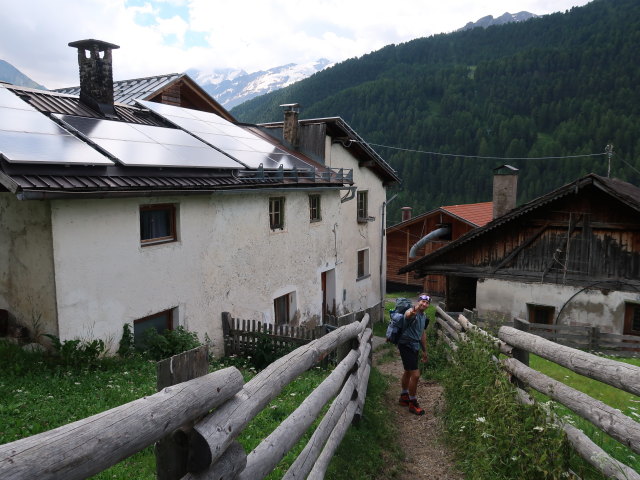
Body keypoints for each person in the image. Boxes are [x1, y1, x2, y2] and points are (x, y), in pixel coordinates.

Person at [398, 293, 430, 415]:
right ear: (418, 302)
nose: (424, 304)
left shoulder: (424, 315)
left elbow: (422, 334)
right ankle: (412, 403)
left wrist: (424, 351)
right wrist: (412, 312)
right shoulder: (412, 311)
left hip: (415, 346)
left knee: (408, 371)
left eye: (427, 303)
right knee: (415, 375)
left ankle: (404, 397)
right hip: (406, 345)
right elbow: (407, 315)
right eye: (422, 301)